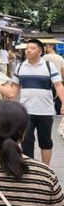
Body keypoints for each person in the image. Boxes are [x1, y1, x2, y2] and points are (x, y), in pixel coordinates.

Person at [13, 38, 64, 166]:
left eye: (32, 48)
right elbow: (13, 90)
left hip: (45, 111)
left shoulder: (48, 66)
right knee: (26, 142)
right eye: (27, 48)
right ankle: (29, 169)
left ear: (40, 52)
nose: (28, 50)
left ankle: (45, 169)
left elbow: (58, 85)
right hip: (26, 112)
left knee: (45, 142)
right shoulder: (20, 67)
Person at [42, 47, 64, 114]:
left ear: (50, 47)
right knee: (58, 98)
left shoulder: (44, 57)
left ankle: (46, 112)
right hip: (58, 81)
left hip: (46, 81)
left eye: (47, 47)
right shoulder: (60, 58)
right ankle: (58, 112)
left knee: (46, 98)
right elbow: (62, 71)